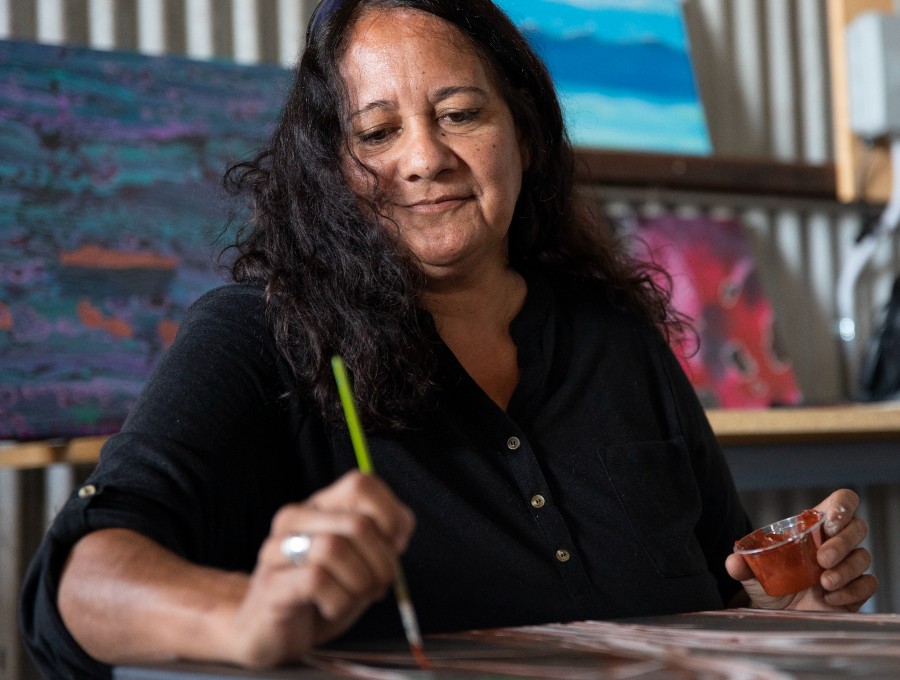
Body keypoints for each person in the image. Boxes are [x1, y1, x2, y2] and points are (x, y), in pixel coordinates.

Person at [19, 0, 877, 677]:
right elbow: (78, 585)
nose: (425, 158)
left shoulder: (615, 335)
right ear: (332, 168)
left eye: (460, 114)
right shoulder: (259, 336)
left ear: (524, 133)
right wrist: (240, 615)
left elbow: (721, 594)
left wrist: (785, 616)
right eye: (377, 132)